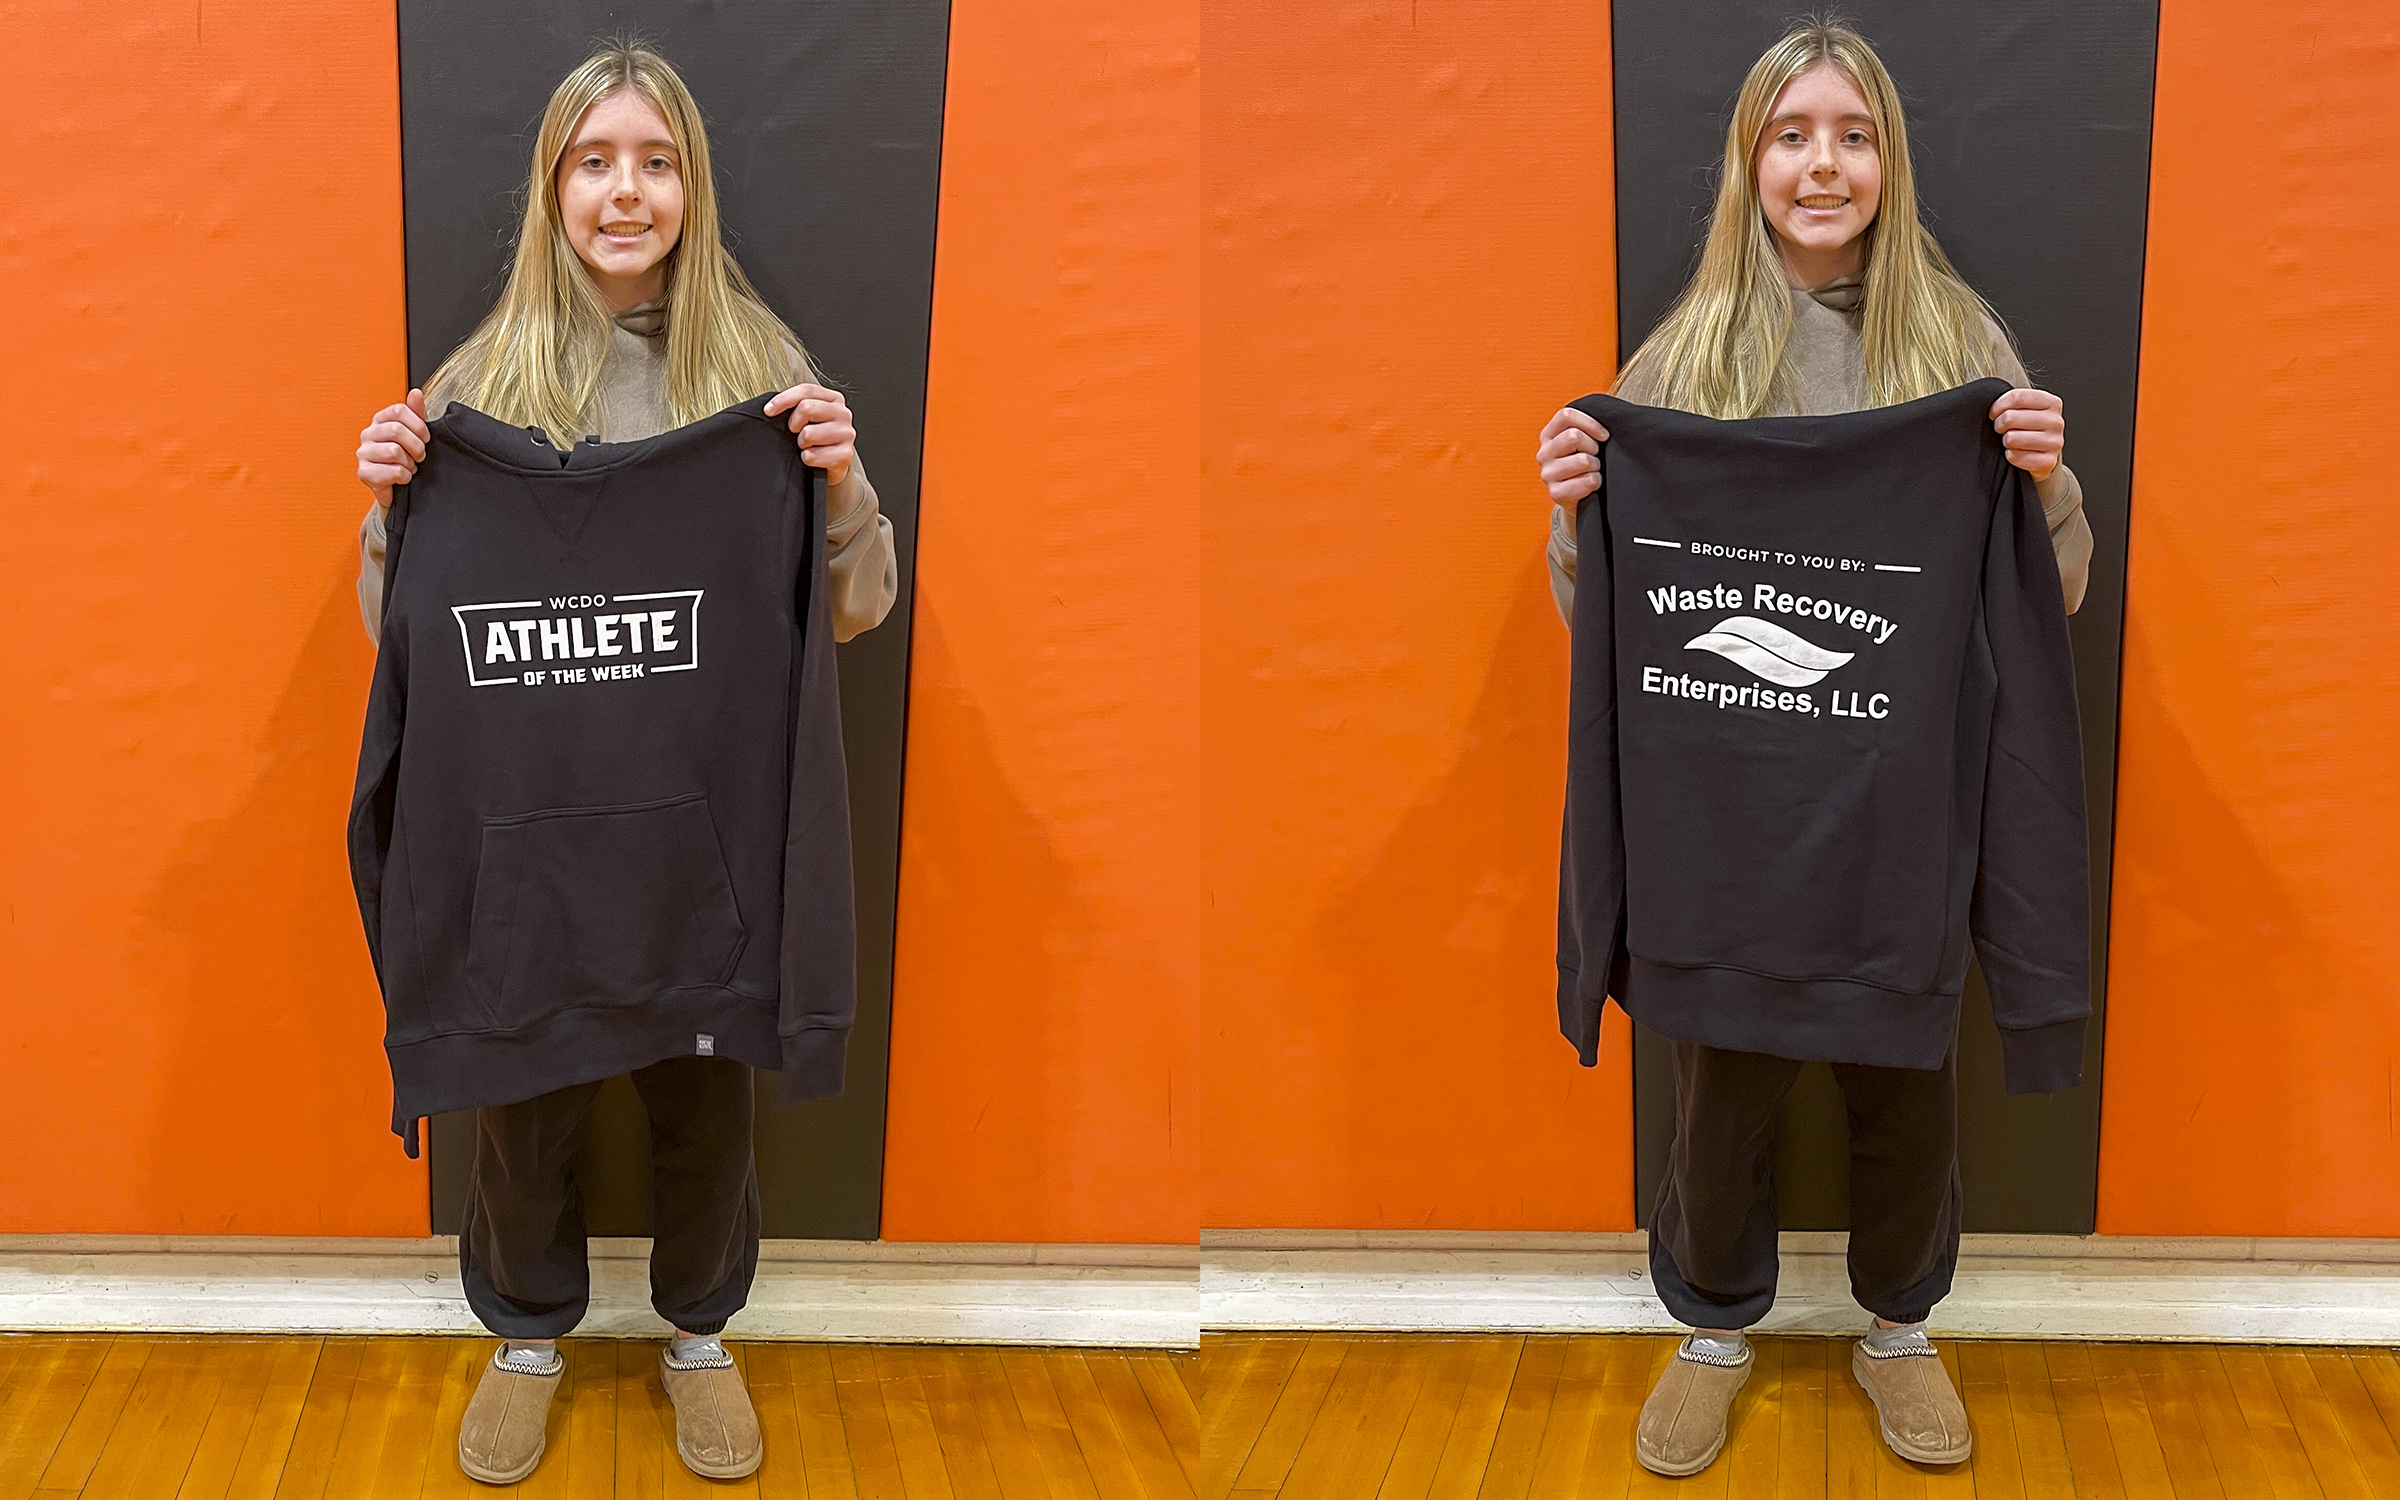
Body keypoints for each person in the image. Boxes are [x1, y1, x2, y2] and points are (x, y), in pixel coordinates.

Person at [1533, 20, 2094, 1479]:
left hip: (1901, 802)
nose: (1822, 162)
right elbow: (1607, 612)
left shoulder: (1960, 347)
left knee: (1907, 1074)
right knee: (1720, 1079)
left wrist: (2042, 483)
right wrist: (1579, 505)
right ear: (1752, 163)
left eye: (1852, 133)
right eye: (1793, 134)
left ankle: (1899, 1329)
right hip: (1726, 804)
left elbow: (2056, 593)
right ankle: (1713, 1327)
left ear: (1887, 162)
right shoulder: (1685, 351)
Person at [350, 41, 896, 1485]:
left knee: (708, 1102)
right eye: (594, 161)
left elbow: (854, 609)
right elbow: (402, 638)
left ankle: (700, 1337)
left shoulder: (761, 372)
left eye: (655, 162)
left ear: (691, 188)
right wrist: (394, 504)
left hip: (700, 843)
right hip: (529, 842)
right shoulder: (480, 376)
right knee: (521, 1109)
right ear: (553, 189)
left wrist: (837, 487)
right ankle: (526, 1337)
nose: (625, 191)